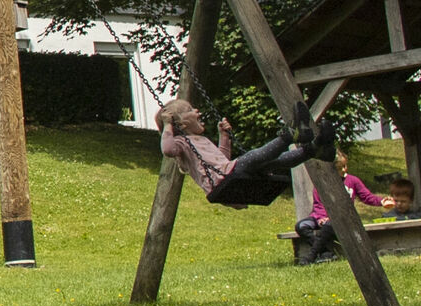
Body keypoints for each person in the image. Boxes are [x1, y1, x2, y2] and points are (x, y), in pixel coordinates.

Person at [158, 97, 334, 206]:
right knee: (252, 157)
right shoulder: (181, 143)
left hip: (228, 175)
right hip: (222, 183)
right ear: (181, 125)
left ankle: (314, 150)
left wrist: (223, 136)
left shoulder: (202, 140)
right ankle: (290, 135)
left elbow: (223, 160)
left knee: (274, 161)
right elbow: (167, 149)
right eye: (189, 110)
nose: (196, 110)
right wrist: (167, 125)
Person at [294, 150, 387, 260]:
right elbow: (319, 205)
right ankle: (326, 253)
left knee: (330, 224)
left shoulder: (352, 180)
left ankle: (311, 256)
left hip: (342, 219)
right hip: (321, 217)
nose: (344, 169)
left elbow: (367, 197)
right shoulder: (322, 182)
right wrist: (322, 218)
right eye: (340, 168)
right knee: (301, 226)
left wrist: (381, 201)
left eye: (345, 166)